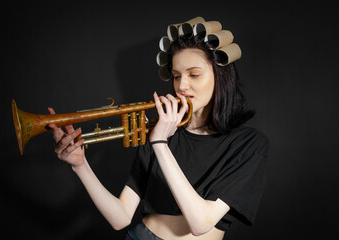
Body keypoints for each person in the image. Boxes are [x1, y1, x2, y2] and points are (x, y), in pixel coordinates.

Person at [48, 17, 269, 240]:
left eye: (194, 74)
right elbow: (121, 217)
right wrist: (80, 165)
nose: (182, 86)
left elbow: (200, 223)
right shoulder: (159, 133)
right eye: (176, 76)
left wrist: (160, 144)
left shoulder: (248, 144)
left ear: (221, 77)